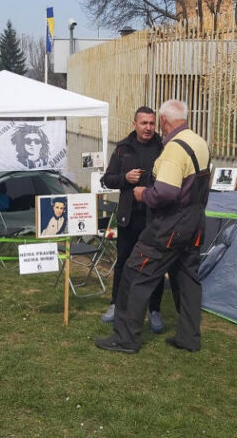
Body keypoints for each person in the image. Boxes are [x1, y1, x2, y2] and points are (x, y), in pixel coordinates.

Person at [95, 99, 211, 354]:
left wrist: (143, 194)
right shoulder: (199, 142)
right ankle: (189, 337)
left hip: (170, 224)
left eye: (153, 121)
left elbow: (166, 193)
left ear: (163, 121)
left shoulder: (173, 149)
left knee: (134, 273)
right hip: (196, 222)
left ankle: (125, 338)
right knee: (188, 280)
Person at [99, 106, 166, 333]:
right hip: (128, 218)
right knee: (124, 263)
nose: (148, 128)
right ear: (134, 124)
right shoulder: (123, 149)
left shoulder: (163, 148)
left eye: (151, 123)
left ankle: (154, 310)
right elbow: (107, 179)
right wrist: (125, 178)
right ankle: (116, 304)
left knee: (155, 265)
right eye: (144, 123)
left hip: (154, 218)